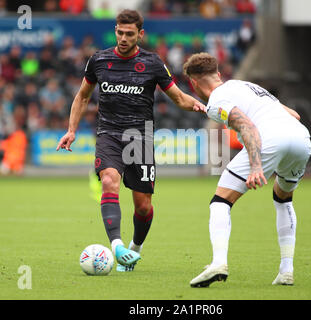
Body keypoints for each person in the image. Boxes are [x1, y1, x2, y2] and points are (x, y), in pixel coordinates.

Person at [56, 10, 205, 272]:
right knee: (109, 182)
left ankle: (135, 248)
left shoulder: (153, 63)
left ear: (140, 34)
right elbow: (82, 96)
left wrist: (205, 106)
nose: (123, 38)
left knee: (143, 206)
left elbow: (180, 99)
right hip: (109, 133)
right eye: (120, 32)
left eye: (129, 34)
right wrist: (71, 129)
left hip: (140, 138)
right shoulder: (99, 60)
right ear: (115, 31)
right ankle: (116, 246)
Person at [183, 53, 311, 287]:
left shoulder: (216, 101)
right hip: (301, 138)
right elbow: (294, 114)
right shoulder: (245, 86)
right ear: (218, 75)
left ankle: (219, 262)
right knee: (283, 199)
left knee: (220, 201)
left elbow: (246, 124)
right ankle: (286, 270)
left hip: (269, 138)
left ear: (194, 83)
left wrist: (256, 166)